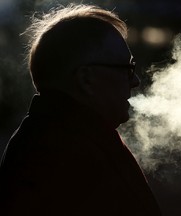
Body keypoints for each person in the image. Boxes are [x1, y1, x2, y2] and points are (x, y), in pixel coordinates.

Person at [0, 4, 161, 216]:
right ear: (86, 79)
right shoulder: (68, 158)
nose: (136, 81)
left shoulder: (55, 138)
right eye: (127, 69)